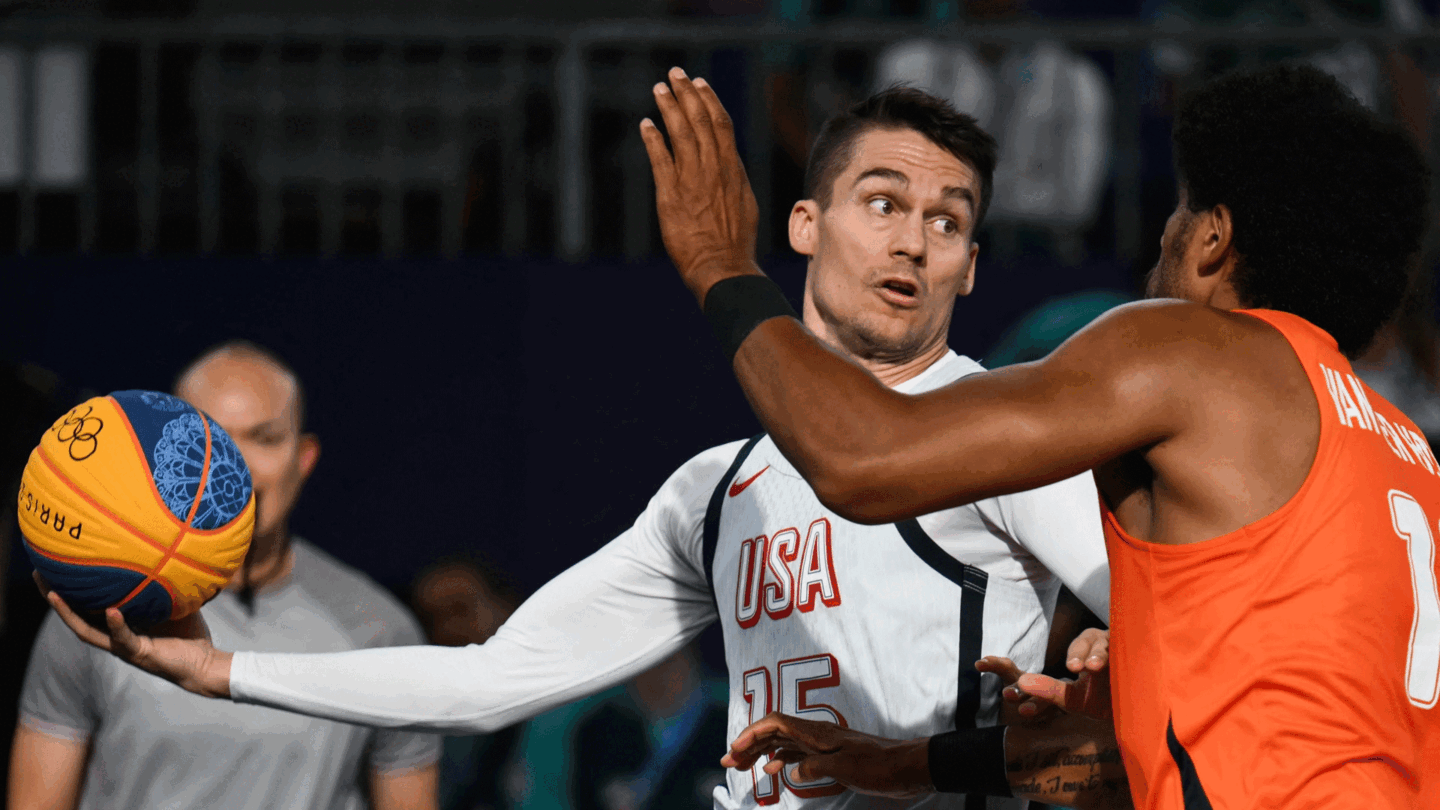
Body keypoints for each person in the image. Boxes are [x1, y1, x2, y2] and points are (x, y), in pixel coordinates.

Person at [40, 89, 1129, 810]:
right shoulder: (717, 494)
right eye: (881, 202)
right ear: (803, 225)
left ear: (973, 269)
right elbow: (491, 679)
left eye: (947, 222)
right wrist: (220, 669)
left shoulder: (1005, 435)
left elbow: (1172, 633)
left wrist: (1097, 659)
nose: (910, 240)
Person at [642, 62, 1437, 807]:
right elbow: (1233, 737)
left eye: (1180, 210)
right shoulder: (1403, 452)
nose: (1161, 237)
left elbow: (864, 461)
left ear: (1212, 239)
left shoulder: (1192, 352)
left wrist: (722, 265)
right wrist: (895, 762)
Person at [9, 341, 441, 810]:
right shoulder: (98, 620)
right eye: (212, 439)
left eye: (266, 438)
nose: (238, 467)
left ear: (305, 457)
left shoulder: (380, 630)